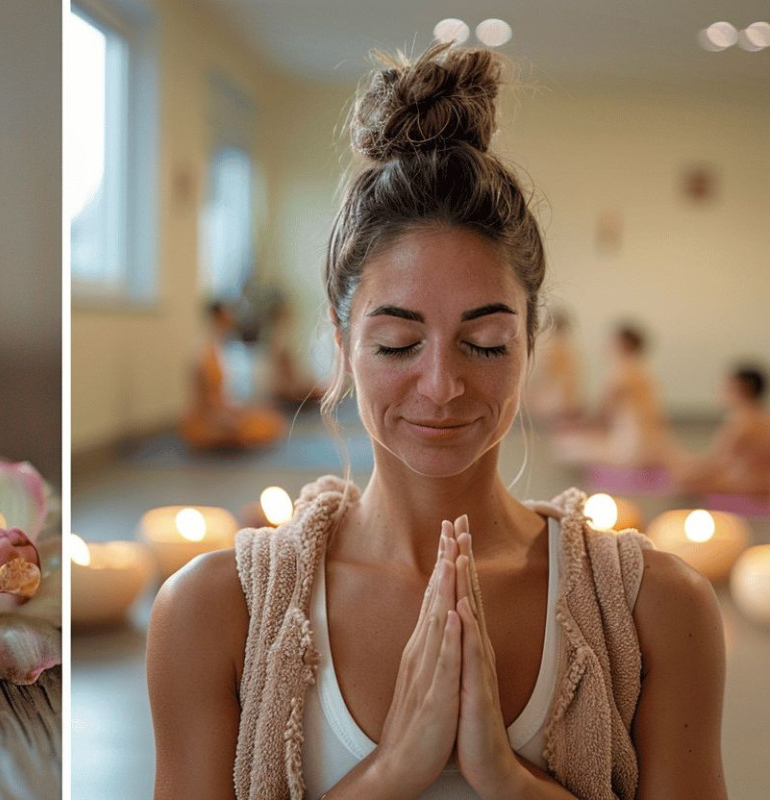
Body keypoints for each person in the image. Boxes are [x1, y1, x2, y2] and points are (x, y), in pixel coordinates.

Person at [147, 43, 725, 799]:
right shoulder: (213, 612)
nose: (443, 385)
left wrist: (506, 778)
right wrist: (392, 773)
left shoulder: (659, 612)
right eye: (398, 343)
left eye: (485, 343)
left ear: (531, 340)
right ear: (340, 341)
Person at [551, 323, 676, 470]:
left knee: (564, 443)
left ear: (622, 344)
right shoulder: (643, 372)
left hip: (632, 450)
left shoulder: (620, 375)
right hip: (654, 445)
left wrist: (573, 426)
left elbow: (602, 418)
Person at [181, 300, 286, 450]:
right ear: (216, 318)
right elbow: (204, 402)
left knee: (271, 421)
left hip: (222, 411)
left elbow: (222, 397)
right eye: (226, 316)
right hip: (207, 419)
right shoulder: (203, 354)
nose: (231, 320)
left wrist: (237, 409)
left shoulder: (219, 347)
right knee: (255, 427)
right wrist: (227, 416)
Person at [672, 364, 770, 497]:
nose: (720, 391)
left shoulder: (743, 422)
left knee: (685, 484)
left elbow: (716, 463)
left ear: (741, 388)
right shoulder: (760, 416)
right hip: (757, 481)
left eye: (726, 387)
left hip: (753, 485)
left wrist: (686, 471)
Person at [525, 308, 582, 427]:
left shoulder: (554, 346)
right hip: (560, 398)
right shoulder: (567, 347)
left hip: (555, 398)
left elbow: (540, 374)